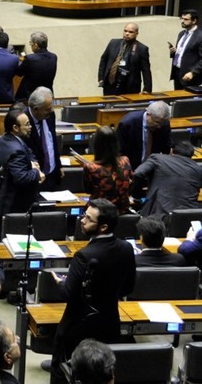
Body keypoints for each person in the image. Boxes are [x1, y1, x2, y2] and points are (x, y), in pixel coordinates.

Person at [49, 199, 135, 384]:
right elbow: (128, 288)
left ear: (103, 227)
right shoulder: (126, 248)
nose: (82, 220)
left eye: (88, 218)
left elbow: (68, 295)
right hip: (109, 323)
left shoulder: (84, 256)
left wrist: (61, 283)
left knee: (64, 374)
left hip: (77, 327)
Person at [0, 109, 44, 236]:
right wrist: (37, 173)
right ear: (15, 127)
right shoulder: (16, 149)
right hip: (14, 205)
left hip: (5, 199)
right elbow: (22, 178)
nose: (30, 127)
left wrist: (33, 163)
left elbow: (30, 153)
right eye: (27, 124)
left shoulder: (7, 139)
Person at [133, 140, 202, 217]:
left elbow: (138, 173)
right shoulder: (198, 169)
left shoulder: (157, 158)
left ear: (171, 151)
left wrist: (137, 197)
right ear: (191, 156)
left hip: (157, 217)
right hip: (187, 219)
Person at [74, 126, 133, 214]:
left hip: (99, 213)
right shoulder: (125, 161)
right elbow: (131, 183)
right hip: (122, 211)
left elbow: (88, 190)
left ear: (96, 144)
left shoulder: (90, 167)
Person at [116, 100, 173, 170]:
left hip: (153, 168)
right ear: (148, 114)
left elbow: (166, 148)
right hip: (132, 167)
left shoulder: (164, 124)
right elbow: (119, 151)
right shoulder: (128, 124)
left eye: (162, 123)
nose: (159, 126)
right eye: (157, 122)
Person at [23, 87, 61, 189]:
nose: (51, 110)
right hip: (35, 177)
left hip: (52, 174)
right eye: (48, 109)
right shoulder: (22, 121)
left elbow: (52, 139)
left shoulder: (50, 115)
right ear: (36, 109)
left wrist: (58, 165)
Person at [98, 23, 152, 94]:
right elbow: (103, 60)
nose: (127, 33)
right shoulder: (113, 43)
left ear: (136, 34)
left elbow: (146, 70)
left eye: (130, 32)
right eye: (125, 31)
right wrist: (101, 78)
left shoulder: (141, 49)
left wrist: (147, 89)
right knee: (108, 104)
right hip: (109, 84)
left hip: (129, 87)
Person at [16, 31, 58, 99]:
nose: (31, 46)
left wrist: (20, 61)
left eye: (31, 43)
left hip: (30, 97)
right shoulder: (54, 57)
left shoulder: (30, 58)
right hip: (47, 96)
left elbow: (19, 73)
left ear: (36, 45)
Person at [170, 9, 202, 90]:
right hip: (177, 73)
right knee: (177, 99)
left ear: (194, 21)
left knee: (187, 101)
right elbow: (184, 52)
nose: (182, 21)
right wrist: (173, 52)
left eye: (186, 19)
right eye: (182, 18)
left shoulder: (200, 36)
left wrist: (193, 72)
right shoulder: (181, 34)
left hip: (191, 77)